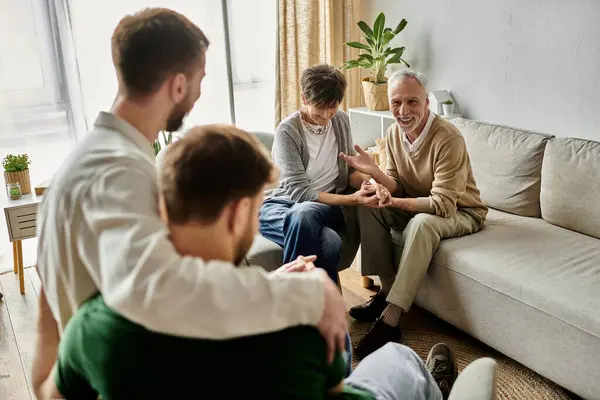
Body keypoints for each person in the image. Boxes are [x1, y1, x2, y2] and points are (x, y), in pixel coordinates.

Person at [32, 7, 348, 394]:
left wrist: (273, 281)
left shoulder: (82, 163)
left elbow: (64, 309)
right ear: (179, 86)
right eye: (201, 79)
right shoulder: (120, 171)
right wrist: (308, 292)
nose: (199, 93)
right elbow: (160, 290)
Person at [35, 125, 466, 400]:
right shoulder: (296, 321)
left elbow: (48, 393)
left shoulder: (96, 327)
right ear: (238, 213)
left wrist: (48, 310)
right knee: (401, 362)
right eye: (260, 205)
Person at [340, 69, 488, 358]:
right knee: (370, 204)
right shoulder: (394, 133)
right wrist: (375, 176)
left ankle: (392, 317)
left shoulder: (448, 138)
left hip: (461, 211)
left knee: (421, 224)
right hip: (420, 202)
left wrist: (395, 202)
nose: (403, 111)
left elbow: (444, 204)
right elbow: (396, 184)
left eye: (412, 102)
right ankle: (385, 292)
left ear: (427, 104)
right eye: (396, 102)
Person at [260, 64, 384, 284]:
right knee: (329, 242)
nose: (326, 115)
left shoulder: (341, 120)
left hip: (325, 208)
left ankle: (289, 300)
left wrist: (371, 182)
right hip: (281, 206)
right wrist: (353, 199)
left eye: (333, 106)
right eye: (320, 106)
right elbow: (299, 193)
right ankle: (328, 313)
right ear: (304, 99)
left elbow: (348, 171)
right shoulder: (287, 131)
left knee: (305, 214)